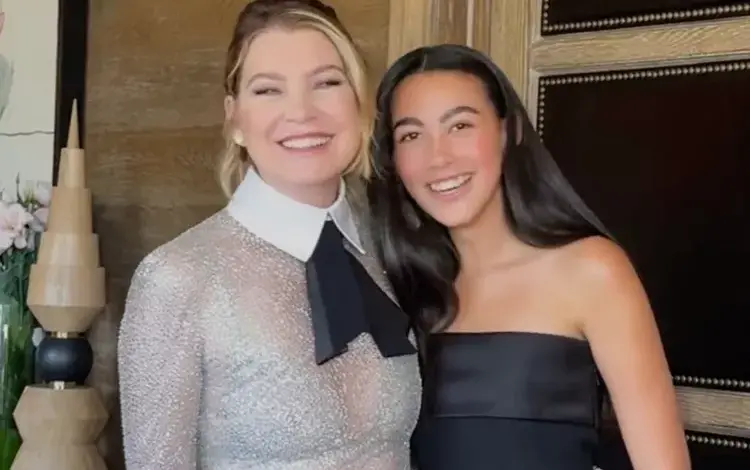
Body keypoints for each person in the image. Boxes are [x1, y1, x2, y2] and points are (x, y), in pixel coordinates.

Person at [117, 1, 420, 469]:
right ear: (235, 118)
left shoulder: (387, 250)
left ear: (359, 100)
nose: (301, 112)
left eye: (326, 83)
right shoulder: (176, 278)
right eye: (268, 90)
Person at [367, 44, 691, 470]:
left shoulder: (591, 270)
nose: (438, 157)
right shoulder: (397, 284)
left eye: (460, 125)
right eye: (411, 135)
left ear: (509, 131)